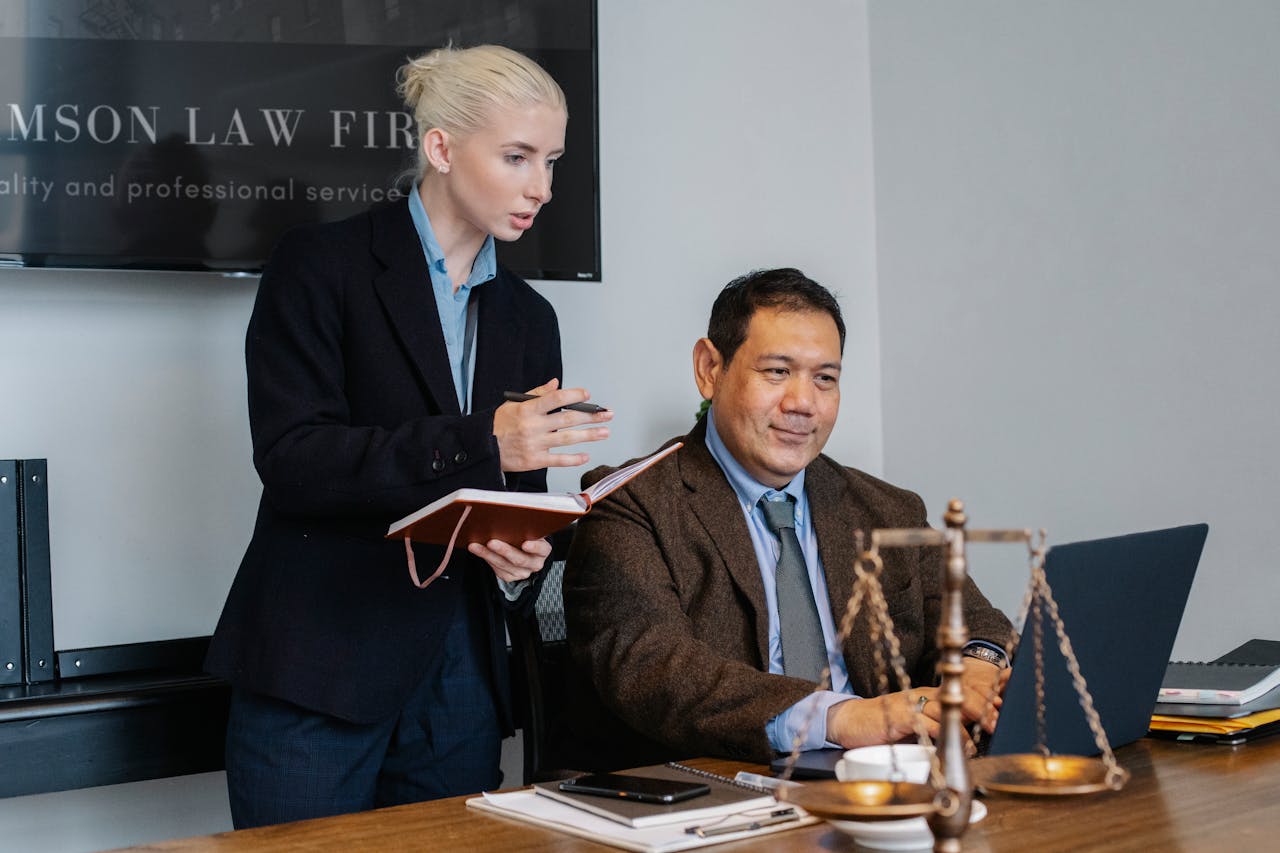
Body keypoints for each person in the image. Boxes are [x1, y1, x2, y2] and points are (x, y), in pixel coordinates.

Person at [205, 44, 611, 828]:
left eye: (552, 161)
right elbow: (294, 460)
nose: (542, 187)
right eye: (518, 156)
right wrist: (482, 442)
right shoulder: (319, 265)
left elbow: (504, 493)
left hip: (460, 680)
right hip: (318, 667)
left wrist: (520, 551)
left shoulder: (532, 319)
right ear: (441, 147)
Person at [563, 268, 1013, 765]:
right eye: (777, 371)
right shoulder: (631, 503)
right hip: (719, 789)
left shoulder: (888, 508)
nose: (803, 404)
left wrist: (977, 667)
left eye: (825, 378)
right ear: (710, 369)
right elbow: (654, 670)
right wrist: (843, 718)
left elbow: (979, 619)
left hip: (885, 784)